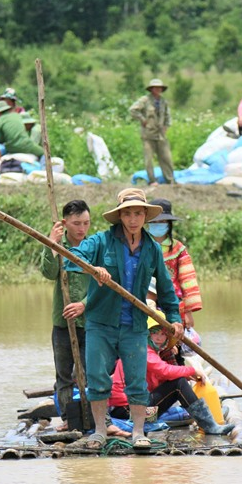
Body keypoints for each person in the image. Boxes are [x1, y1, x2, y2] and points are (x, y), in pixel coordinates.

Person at [66, 188, 185, 450]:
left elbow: (166, 289)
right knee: (97, 377)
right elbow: (73, 259)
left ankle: (139, 432)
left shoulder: (152, 249)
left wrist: (175, 319)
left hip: (134, 325)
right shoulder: (101, 241)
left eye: (138, 214)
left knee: (136, 380)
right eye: (128, 214)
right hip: (101, 323)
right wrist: (92, 268)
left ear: (145, 216)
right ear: (120, 216)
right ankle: (99, 430)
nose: (133, 219)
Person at [108, 317, 234, 435]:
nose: (158, 338)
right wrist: (190, 371)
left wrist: (184, 374)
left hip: (136, 406)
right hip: (128, 411)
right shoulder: (143, 350)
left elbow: (161, 377)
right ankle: (209, 425)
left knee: (178, 381)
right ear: (147, 334)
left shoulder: (150, 351)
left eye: (163, 334)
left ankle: (209, 419)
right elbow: (164, 371)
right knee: (178, 384)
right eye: (155, 333)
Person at [41, 199, 92, 431]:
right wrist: (52, 244)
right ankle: (68, 420)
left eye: (86, 223)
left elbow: (105, 285)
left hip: (90, 322)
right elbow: (49, 273)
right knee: (64, 375)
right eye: (76, 223)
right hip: (63, 323)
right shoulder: (58, 246)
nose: (82, 229)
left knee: (86, 372)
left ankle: (89, 417)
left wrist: (83, 303)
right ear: (65, 223)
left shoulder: (94, 247)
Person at [146, 198, 202, 330]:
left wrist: (188, 312)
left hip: (173, 303)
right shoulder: (140, 245)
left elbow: (187, 280)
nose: (158, 224)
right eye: (154, 221)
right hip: (146, 302)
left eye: (162, 221)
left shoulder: (178, 249)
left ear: (169, 224)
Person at [129, 78, 174, 185]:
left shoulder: (163, 102)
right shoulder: (145, 100)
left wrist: (166, 126)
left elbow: (167, 115)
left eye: (160, 88)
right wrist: (143, 119)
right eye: (156, 88)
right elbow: (133, 110)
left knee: (166, 157)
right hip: (148, 134)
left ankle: (170, 180)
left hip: (160, 134)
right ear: (152, 89)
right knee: (149, 159)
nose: (158, 90)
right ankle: (152, 180)